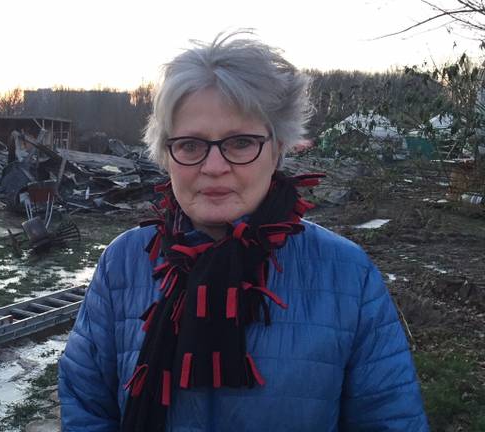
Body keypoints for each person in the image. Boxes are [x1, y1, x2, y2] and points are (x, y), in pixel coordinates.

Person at [58, 32, 429, 431]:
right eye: (190, 145)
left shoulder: (346, 274)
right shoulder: (123, 263)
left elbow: (389, 421)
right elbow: (88, 408)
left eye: (240, 142)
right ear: (166, 154)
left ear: (277, 149)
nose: (214, 166)